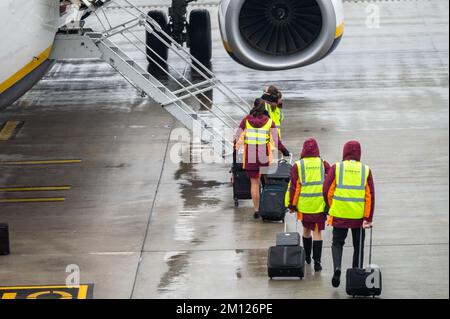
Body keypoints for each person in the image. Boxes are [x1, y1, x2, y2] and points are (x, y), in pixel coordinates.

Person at [323, 140, 375, 288]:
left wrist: (332, 206)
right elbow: (370, 195)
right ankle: (356, 276)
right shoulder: (365, 170)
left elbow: (326, 190)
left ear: (344, 152)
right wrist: (368, 218)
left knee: (337, 243)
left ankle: (337, 268)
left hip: (339, 214)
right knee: (358, 246)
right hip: (358, 217)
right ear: (359, 154)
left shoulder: (337, 168)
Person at [235, 98, 290, 219]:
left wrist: (237, 146)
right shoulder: (269, 122)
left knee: (254, 183)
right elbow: (276, 141)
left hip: (250, 156)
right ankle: (268, 205)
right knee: (266, 181)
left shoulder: (246, 120)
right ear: (265, 109)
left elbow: (237, 136)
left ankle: (256, 210)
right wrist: (284, 151)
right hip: (264, 156)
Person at [286, 138, 330, 271]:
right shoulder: (323, 164)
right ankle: (317, 263)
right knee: (317, 232)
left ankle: (307, 257)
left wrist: (292, 205)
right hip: (319, 204)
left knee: (306, 230)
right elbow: (330, 181)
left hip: (305, 205)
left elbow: (294, 187)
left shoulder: (298, 165)